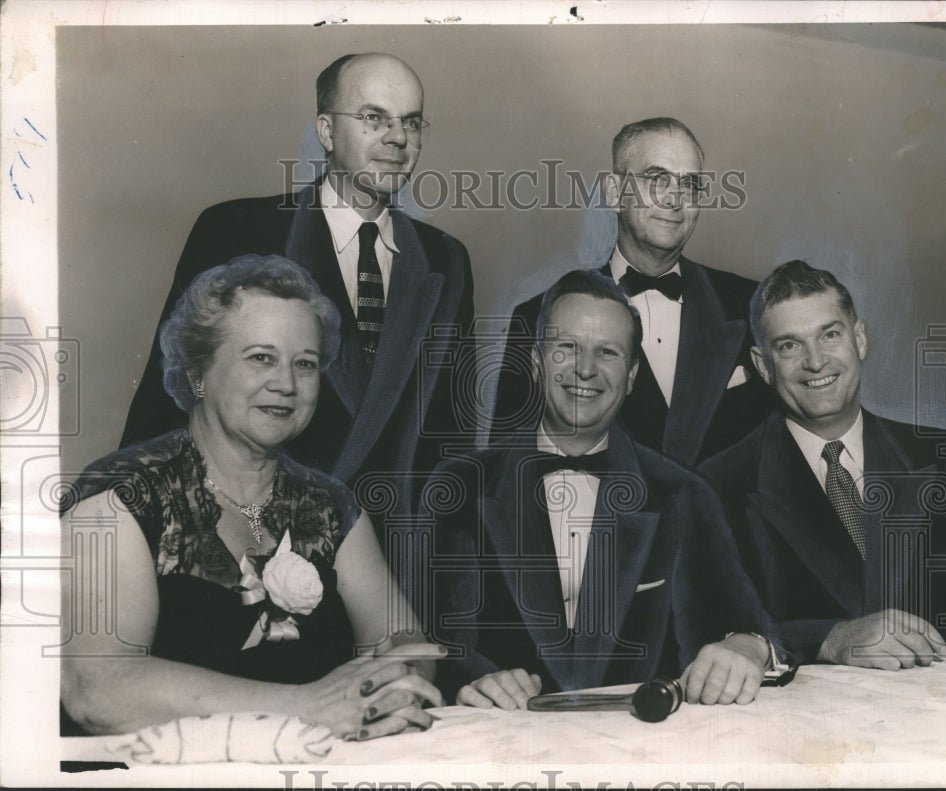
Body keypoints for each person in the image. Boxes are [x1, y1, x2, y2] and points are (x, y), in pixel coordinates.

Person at [120, 54, 474, 592]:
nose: (398, 137)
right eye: (375, 117)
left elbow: (450, 437)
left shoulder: (446, 259)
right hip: (247, 549)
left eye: (412, 121)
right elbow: (168, 393)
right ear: (327, 130)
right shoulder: (237, 227)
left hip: (394, 564)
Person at [61, 256, 444, 739]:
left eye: (304, 364)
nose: (286, 383)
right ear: (199, 369)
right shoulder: (120, 496)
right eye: (261, 357)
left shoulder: (331, 504)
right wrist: (305, 706)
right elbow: (96, 690)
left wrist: (400, 677)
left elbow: (406, 641)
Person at [426, 269, 790, 710]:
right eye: (567, 348)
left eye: (607, 352)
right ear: (537, 362)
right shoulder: (458, 485)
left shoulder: (684, 493)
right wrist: (469, 682)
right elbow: (429, 644)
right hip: (502, 752)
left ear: (632, 375)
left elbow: (753, 633)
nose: (585, 368)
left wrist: (749, 647)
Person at [700, 260, 946, 668]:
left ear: (859, 339)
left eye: (830, 335)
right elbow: (711, 634)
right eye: (789, 345)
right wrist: (831, 638)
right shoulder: (715, 485)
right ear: (763, 365)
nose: (816, 362)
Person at [491, 117, 772, 464]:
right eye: (657, 180)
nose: (674, 199)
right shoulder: (536, 315)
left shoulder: (750, 304)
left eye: (690, 185)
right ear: (614, 192)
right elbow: (505, 479)